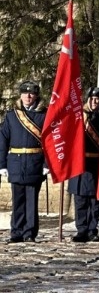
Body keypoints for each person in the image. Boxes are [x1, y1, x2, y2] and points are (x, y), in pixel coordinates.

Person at [0, 81, 48, 243]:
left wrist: (47, 164)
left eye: (32, 93)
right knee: (18, 200)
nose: (28, 96)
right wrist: (2, 165)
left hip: (35, 162)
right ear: (20, 95)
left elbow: (50, 142)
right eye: (25, 93)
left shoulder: (44, 115)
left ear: (36, 96)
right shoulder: (12, 115)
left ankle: (29, 233)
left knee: (31, 200)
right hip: (16, 163)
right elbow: (3, 140)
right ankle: (16, 232)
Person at [68, 86, 99, 243]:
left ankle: (92, 230)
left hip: (96, 164)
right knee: (80, 200)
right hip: (79, 164)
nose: (93, 102)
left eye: (97, 99)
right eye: (91, 99)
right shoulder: (77, 119)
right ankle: (81, 230)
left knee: (94, 201)